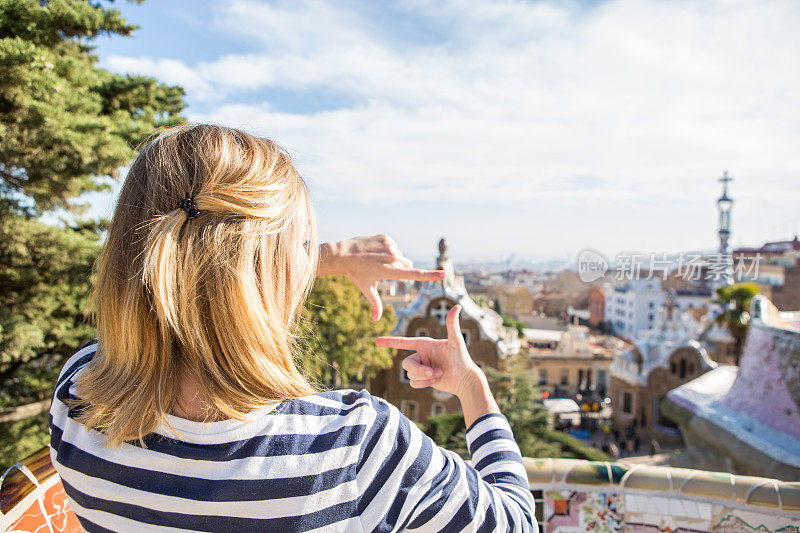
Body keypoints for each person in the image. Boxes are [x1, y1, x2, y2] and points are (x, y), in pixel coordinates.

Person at [49, 124, 536, 532]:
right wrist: (473, 387)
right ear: (275, 267)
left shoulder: (77, 399)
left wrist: (321, 257)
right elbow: (516, 521)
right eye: (303, 243)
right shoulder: (353, 450)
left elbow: (188, 271)